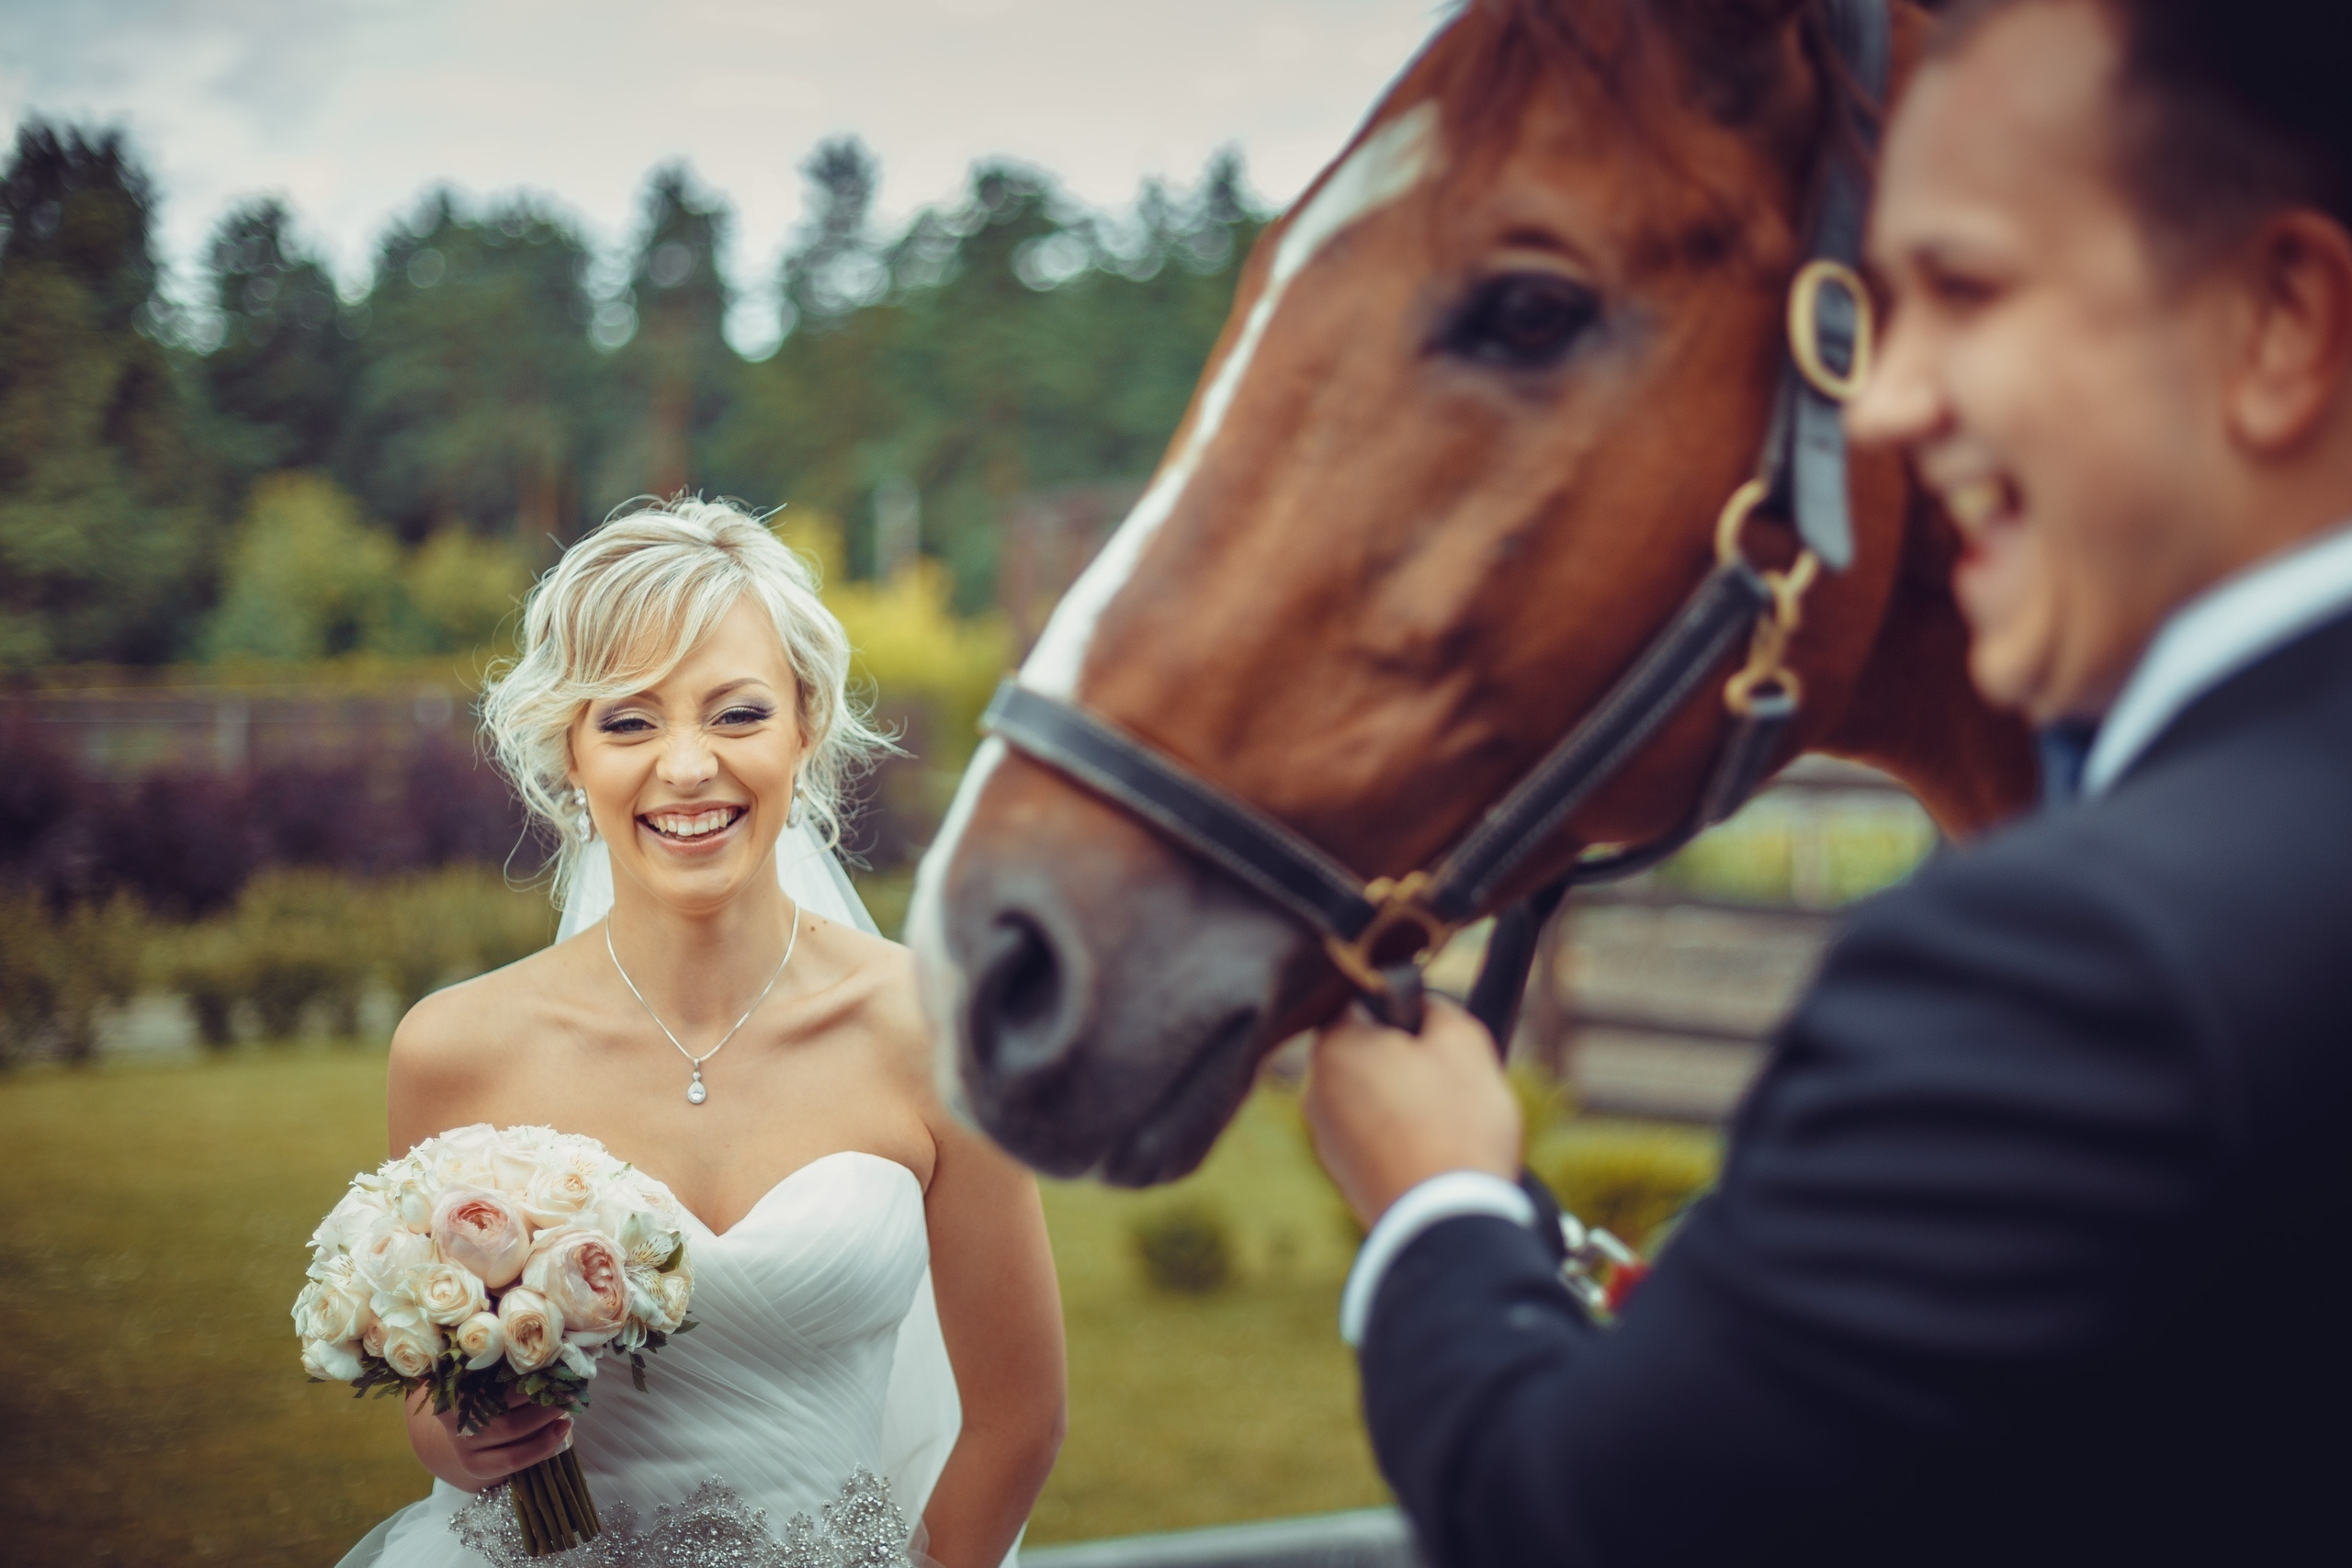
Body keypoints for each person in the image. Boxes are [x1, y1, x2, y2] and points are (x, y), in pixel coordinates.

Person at [1303, 1, 2352, 1563]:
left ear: (2278, 322)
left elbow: (1590, 1525)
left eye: (1973, 293)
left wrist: (1442, 1206)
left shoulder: (2082, 960)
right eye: (1885, 314)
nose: (1885, 408)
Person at [344, 499, 1065, 1568]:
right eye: (629, 722)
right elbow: (432, 1416)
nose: (686, 768)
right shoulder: (455, 1051)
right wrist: (464, 1434)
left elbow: (1017, 1420)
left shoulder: (936, 1031)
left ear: (805, 727)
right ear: (571, 752)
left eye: (735, 715)